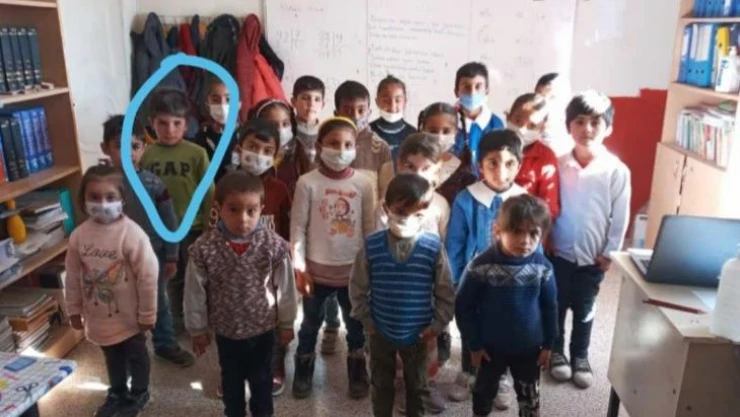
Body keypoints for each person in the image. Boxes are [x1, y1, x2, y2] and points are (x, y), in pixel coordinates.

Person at [184, 171, 298, 417]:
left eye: (251, 211)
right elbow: (194, 291)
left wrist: (287, 323)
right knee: (231, 381)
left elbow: (286, 288)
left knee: (262, 381)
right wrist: (197, 328)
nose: (243, 219)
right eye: (233, 209)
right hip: (227, 332)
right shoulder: (204, 248)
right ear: (218, 209)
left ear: (261, 210)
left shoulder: (273, 245)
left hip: (263, 330)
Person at [349, 173, 455, 417]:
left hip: (419, 333)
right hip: (379, 331)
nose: (408, 218)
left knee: (418, 386)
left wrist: (438, 325)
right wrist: (367, 321)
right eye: (401, 211)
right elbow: (357, 286)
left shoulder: (432, 247)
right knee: (381, 385)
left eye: (418, 213)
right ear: (386, 209)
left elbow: (445, 290)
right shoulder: (372, 245)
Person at [549, 90, 631, 389]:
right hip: (559, 253)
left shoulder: (616, 170)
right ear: (568, 126)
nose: (587, 129)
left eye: (596, 122)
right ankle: (556, 352)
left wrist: (610, 252)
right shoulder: (558, 165)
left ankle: (580, 356)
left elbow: (620, 216)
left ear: (608, 127)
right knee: (556, 305)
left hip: (592, 257)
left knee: (585, 308)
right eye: (580, 121)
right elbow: (548, 207)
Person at [100, 115, 194, 368]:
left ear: (143, 148)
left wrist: (172, 255)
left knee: (158, 302)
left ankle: (165, 345)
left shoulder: (154, 184)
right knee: (121, 304)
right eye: (119, 146)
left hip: (153, 255)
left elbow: (170, 221)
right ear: (105, 148)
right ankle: (131, 349)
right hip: (116, 259)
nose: (128, 153)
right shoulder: (100, 186)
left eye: (135, 146)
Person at [290, 117, 375, 400]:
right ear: (319, 145)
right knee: (309, 325)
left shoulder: (363, 184)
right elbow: (298, 228)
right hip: (316, 274)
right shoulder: (307, 183)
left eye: (348, 144)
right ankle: (304, 367)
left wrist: (369, 269)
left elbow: (369, 229)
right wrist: (300, 268)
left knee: (355, 326)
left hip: (352, 274)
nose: (341, 150)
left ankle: (357, 368)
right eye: (334, 143)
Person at [64, 165, 159, 417]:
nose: (103, 204)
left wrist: (147, 314)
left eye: (110, 197)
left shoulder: (132, 234)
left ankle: (139, 392)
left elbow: (148, 277)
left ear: (122, 199)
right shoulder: (78, 236)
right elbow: (72, 276)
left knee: (136, 355)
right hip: (99, 316)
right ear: (83, 200)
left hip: (131, 317)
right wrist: (73, 309)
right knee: (112, 355)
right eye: (94, 197)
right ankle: (117, 391)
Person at [456, 194, 558, 417]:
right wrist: (474, 345)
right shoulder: (480, 266)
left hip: (529, 348)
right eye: (517, 232)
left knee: (529, 396)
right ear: (497, 230)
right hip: (489, 349)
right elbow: (464, 308)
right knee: (483, 393)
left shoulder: (544, 268)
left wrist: (549, 344)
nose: (525, 241)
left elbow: (550, 307)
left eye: (533, 233)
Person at [445, 130, 527, 405]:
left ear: (519, 165)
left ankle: (499, 376)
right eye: (493, 163)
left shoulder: (523, 200)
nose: (501, 171)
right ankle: (468, 371)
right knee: (471, 325)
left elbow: (534, 243)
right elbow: (456, 243)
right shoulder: (466, 199)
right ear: (480, 164)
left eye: (509, 163)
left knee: (504, 328)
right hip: (473, 280)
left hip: (511, 283)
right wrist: (454, 280)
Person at [139, 87, 214, 335]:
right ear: (152, 123)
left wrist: (209, 226)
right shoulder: (147, 154)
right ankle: (178, 320)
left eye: (176, 123)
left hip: (193, 228)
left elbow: (209, 191)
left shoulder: (197, 153)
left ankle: (202, 318)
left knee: (198, 276)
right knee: (171, 275)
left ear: (186, 124)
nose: (170, 130)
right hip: (161, 231)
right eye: (163, 123)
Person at [233, 119, 294, 396]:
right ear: (239, 149)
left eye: (267, 151)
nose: (259, 155)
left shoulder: (279, 189)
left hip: (271, 268)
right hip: (236, 266)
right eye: (253, 147)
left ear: (275, 155)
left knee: (273, 316)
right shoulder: (226, 186)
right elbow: (214, 226)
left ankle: (274, 363)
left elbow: (288, 228)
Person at [334, 80, 394, 204]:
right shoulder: (327, 145)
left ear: (369, 112)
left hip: (370, 214)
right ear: (337, 114)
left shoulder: (380, 147)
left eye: (361, 110)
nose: (356, 117)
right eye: (348, 111)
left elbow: (387, 194)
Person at [505, 93, 561, 221]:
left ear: (542, 128)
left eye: (532, 126)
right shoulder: (494, 146)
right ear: (508, 117)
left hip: (528, 226)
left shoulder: (546, 158)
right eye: (518, 121)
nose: (522, 129)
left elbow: (549, 208)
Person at [248, 98, 312, 197]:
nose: (280, 130)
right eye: (273, 125)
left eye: (285, 124)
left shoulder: (299, 153)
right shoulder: (251, 156)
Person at [418, 102, 477, 207]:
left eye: (446, 131)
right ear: (423, 130)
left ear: (456, 132)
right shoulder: (413, 164)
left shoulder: (464, 169)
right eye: (433, 131)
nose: (440, 137)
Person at [452, 62, 505, 173]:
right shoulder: (447, 121)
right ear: (456, 92)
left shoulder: (496, 124)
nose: (472, 92)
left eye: (478, 87)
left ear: (487, 91)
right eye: (466, 87)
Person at [193, 75, 240, 183]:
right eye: (215, 100)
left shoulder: (244, 136)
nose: (222, 105)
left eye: (228, 99)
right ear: (207, 105)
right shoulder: (202, 136)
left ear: (238, 105)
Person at [370, 75, 417, 165]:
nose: (392, 106)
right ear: (377, 102)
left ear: (405, 101)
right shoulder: (368, 132)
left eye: (397, 100)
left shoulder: (413, 134)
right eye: (386, 100)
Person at [534, 72, 573, 157]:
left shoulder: (576, 139)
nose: (545, 103)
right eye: (540, 97)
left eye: (552, 98)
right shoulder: (528, 136)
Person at [291, 75, 326, 165]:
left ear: (323, 105)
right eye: (305, 98)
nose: (311, 104)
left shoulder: (326, 132)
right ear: (293, 102)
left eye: (317, 99)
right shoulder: (287, 130)